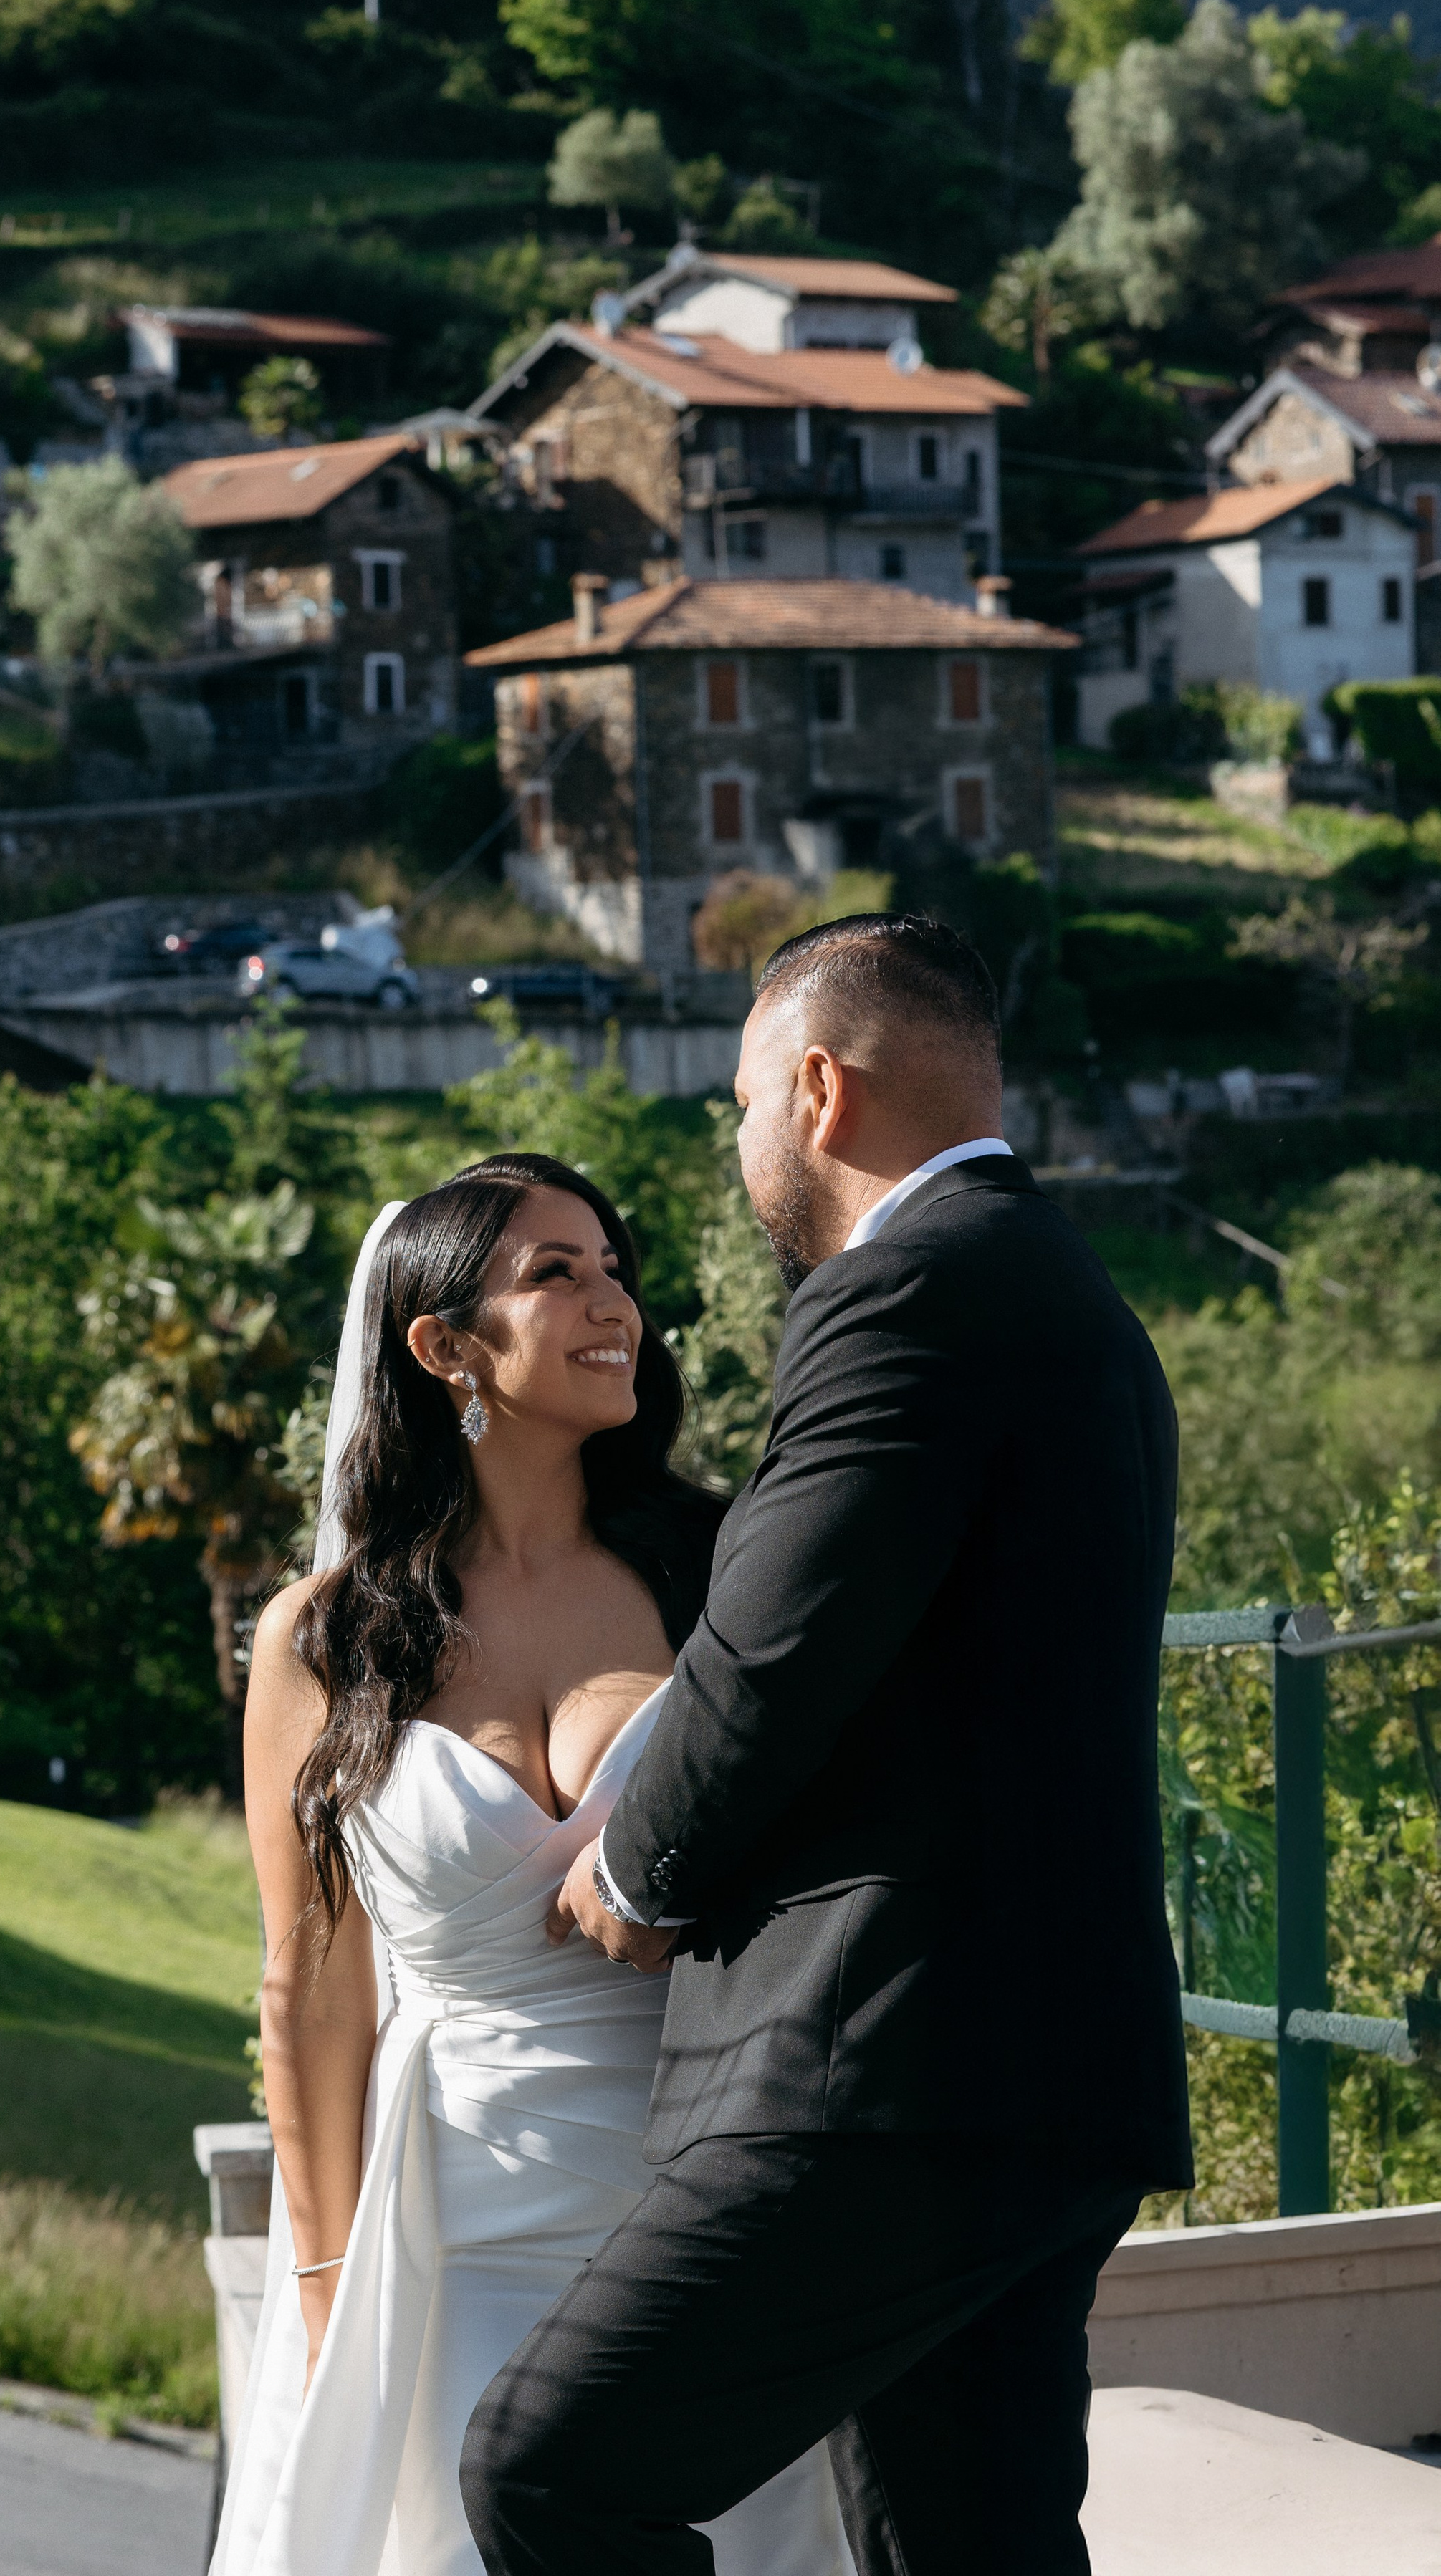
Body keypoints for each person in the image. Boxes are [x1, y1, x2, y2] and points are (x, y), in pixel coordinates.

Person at [461, 913, 1192, 2576]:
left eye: (737, 1107)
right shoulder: (1072, 1297)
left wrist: (635, 1867)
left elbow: (775, 1652)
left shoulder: (902, 1295)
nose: (737, 1151)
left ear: (814, 1090)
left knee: (550, 2475)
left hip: (885, 2069)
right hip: (1040, 2073)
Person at [214, 1155, 848, 2576]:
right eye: (555, 1275)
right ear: (444, 1348)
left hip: (717, 2203)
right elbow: (312, 1994)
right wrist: (323, 2285)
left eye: (613, 1269)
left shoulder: (724, 1570)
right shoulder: (321, 1641)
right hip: (461, 2228)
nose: (610, 1302)